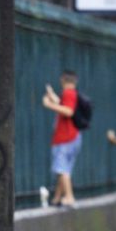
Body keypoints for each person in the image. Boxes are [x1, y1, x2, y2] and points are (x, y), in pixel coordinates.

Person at [42, 70, 82, 207]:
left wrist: (49, 105)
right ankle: (57, 198)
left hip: (65, 138)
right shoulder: (73, 94)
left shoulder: (68, 93)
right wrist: (53, 96)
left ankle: (69, 197)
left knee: (61, 168)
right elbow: (63, 105)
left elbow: (68, 111)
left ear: (64, 80)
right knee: (64, 169)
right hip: (72, 137)